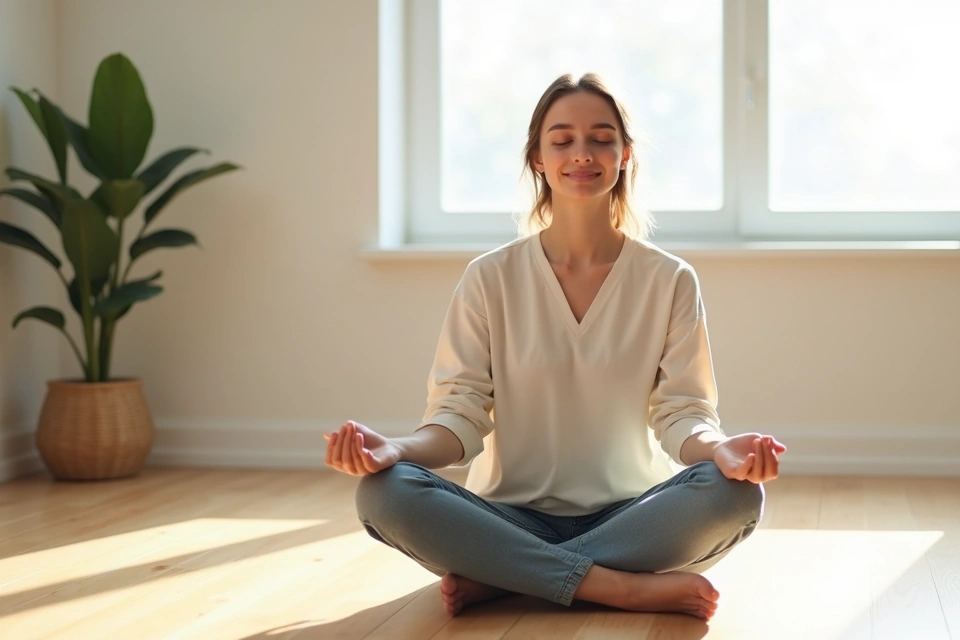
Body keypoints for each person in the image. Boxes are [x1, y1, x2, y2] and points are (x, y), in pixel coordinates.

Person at [323, 73, 787, 621]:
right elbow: (458, 416)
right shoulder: (489, 278)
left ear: (625, 154)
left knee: (737, 496)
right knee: (383, 493)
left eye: (601, 138)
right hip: (506, 516)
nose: (582, 153)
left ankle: (507, 576)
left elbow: (683, 413)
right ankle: (618, 588)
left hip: (630, 517)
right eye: (562, 140)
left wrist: (721, 450)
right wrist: (396, 450)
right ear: (538, 159)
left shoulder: (670, 279)